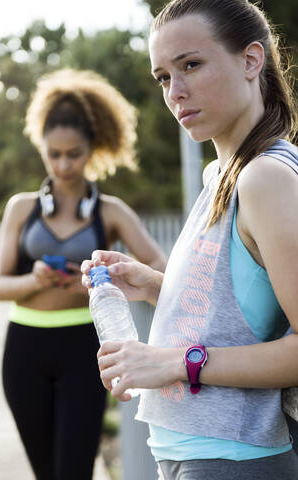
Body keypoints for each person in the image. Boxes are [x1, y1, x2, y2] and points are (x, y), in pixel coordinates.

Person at [81, 1, 298, 478]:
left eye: (191, 65)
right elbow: (242, 313)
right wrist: (157, 286)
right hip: (192, 453)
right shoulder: (222, 174)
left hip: (233, 458)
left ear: (250, 60)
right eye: (163, 77)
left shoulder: (265, 177)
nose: (176, 92)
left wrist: (176, 362)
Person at [0, 68, 166, 480]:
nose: (63, 164)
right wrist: (37, 279)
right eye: (54, 154)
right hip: (24, 351)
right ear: (42, 149)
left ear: (93, 150)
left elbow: (160, 270)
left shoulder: (112, 211)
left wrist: (115, 278)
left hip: (85, 351)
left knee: (73, 472)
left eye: (74, 153)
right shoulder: (20, 208)